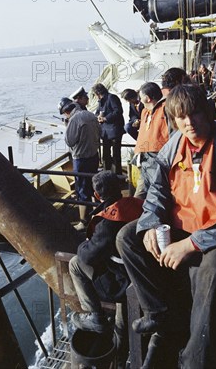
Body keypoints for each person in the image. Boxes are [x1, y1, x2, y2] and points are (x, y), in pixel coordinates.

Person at [117, 84, 216, 368]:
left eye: (195, 114)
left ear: (208, 114)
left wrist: (192, 243)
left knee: (213, 269)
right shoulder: (174, 146)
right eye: (181, 117)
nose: (189, 123)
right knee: (127, 238)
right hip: (183, 222)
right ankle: (160, 313)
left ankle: (195, 355)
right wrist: (150, 224)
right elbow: (157, 193)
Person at [70, 171, 144, 335]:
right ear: (120, 188)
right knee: (122, 323)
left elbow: (88, 256)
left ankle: (95, 316)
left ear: (96, 195)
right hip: (143, 269)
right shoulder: (136, 204)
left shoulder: (107, 223)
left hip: (123, 279)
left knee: (75, 263)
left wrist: (85, 244)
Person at [59, 97, 101, 230]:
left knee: (82, 190)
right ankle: (98, 215)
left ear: (66, 111)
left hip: (81, 159)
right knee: (93, 186)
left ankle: (83, 222)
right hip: (94, 156)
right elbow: (100, 133)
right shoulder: (90, 115)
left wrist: (67, 125)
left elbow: (70, 141)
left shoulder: (74, 119)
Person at [133, 82, 170, 199]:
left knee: (157, 192)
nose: (139, 99)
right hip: (144, 158)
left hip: (157, 157)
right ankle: (136, 215)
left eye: (140, 96)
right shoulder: (145, 112)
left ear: (147, 98)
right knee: (140, 194)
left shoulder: (166, 109)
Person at [92, 83, 125, 175]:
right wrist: (98, 117)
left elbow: (118, 111)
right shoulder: (101, 101)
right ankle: (106, 174)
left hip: (114, 131)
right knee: (105, 154)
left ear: (97, 93)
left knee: (116, 155)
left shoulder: (111, 98)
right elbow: (98, 112)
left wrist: (106, 118)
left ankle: (117, 176)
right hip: (105, 132)